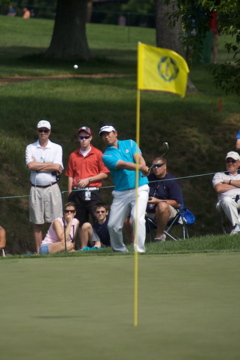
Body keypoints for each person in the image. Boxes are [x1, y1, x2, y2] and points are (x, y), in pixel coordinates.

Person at [99, 123, 150, 253]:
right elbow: (123, 164)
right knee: (112, 225)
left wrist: (144, 167)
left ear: (116, 133)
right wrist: (141, 168)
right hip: (121, 192)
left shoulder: (131, 143)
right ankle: (119, 250)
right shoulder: (106, 156)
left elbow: (139, 158)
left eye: (108, 133)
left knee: (137, 218)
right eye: (103, 135)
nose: (106, 137)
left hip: (140, 187)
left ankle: (139, 250)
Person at [25, 120, 63, 254]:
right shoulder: (30, 147)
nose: (43, 133)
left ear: (49, 132)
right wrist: (48, 165)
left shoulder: (57, 148)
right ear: (37, 131)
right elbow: (30, 166)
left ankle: (54, 250)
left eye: (45, 131)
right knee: (37, 223)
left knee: (53, 222)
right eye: (40, 130)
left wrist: (38, 166)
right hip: (36, 188)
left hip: (52, 187)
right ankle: (38, 252)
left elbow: (57, 167)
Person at [66, 126, 109, 232]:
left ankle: (102, 243)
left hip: (93, 191)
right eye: (81, 138)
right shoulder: (73, 155)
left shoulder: (98, 154)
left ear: (91, 138)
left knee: (99, 218)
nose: (84, 140)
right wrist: (70, 194)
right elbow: (70, 176)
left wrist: (89, 180)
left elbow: (104, 173)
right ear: (78, 139)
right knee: (79, 222)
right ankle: (84, 246)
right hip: (77, 193)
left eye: (86, 137)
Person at [147, 156, 184, 242]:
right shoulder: (147, 179)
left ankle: (159, 236)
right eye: (153, 166)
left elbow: (178, 203)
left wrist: (157, 201)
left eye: (158, 165)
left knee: (162, 206)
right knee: (128, 214)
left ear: (165, 166)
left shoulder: (172, 181)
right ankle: (133, 244)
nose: (156, 168)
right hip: (148, 211)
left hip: (168, 212)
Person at [212, 151, 240, 235]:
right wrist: (237, 185)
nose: (230, 163)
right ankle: (237, 226)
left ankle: (237, 228)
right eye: (228, 161)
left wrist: (229, 181)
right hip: (224, 202)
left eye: (233, 161)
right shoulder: (219, 175)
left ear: (239, 163)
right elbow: (218, 188)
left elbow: (222, 186)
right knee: (227, 200)